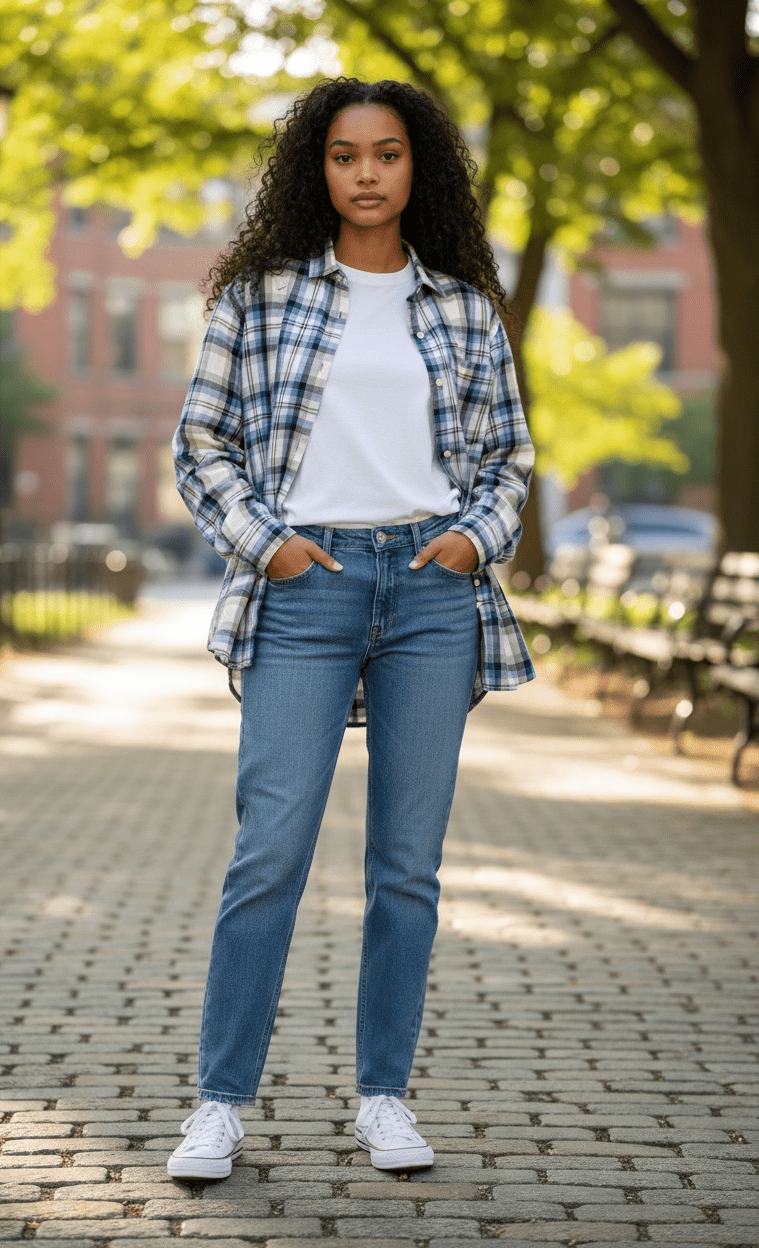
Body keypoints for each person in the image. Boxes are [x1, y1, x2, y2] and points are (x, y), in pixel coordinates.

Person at [168, 76, 535, 1181]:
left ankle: (382, 1096)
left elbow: (509, 458)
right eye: (342, 155)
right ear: (312, 169)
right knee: (267, 854)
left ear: (418, 164)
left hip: (430, 592)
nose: (365, 174)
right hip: (306, 586)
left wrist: (474, 537)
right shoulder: (261, 295)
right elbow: (201, 444)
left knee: (406, 870)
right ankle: (220, 1102)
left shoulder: (465, 305)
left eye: (385, 154)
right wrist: (268, 542)